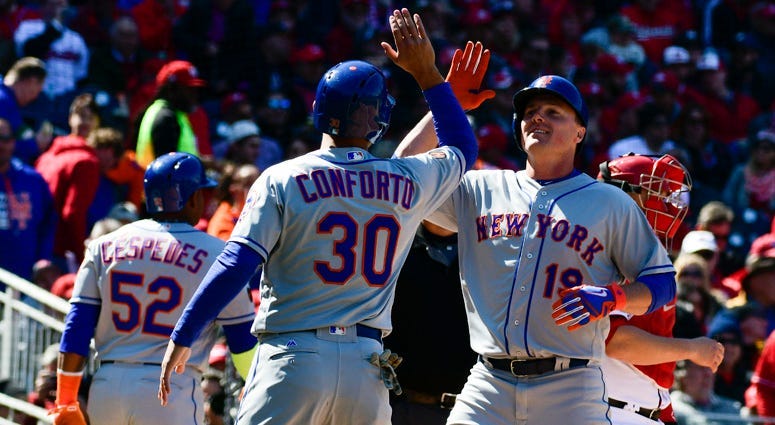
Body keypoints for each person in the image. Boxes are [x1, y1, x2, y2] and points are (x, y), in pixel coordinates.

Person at [158, 8, 479, 424]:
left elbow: (236, 264)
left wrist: (183, 335)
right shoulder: (405, 179)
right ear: (379, 119)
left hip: (293, 356)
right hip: (367, 367)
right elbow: (461, 148)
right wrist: (431, 78)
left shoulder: (284, 177)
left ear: (318, 108)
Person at [395, 66, 679, 422]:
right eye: (529, 113)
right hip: (488, 381)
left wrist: (615, 297)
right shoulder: (482, 189)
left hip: (572, 385)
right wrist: (444, 105)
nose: (537, 118)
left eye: (553, 112)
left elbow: (662, 283)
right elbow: (403, 177)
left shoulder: (610, 203)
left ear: (580, 132)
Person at [50, 152, 258, 425]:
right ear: (192, 198)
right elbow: (241, 339)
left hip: (108, 386)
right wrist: (255, 385)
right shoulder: (218, 253)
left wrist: (65, 401)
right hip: (171, 389)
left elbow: (76, 327)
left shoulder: (103, 246)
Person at [597, 153, 725, 425]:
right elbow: (617, 342)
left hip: (640, 408)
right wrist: (692, 349)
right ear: (621, 196)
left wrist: (663, 410)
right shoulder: (610, 252)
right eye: (655, 191)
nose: (667, 204)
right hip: (612, 408)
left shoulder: (644, 252)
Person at [34, 93, 101, 268]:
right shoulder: (86, 161)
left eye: (90, 117)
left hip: (37, 245)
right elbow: (72, 213)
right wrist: (82, 258)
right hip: (61, 252)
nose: (85, 122)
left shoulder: (47, 155)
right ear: (70, 118)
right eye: (81, 115)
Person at [0, 116, 56, 290]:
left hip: (24, 284)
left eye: (6, 139)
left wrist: (43, 257)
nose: (1, 145)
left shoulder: (32, 179)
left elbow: (49, 221)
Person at [134, 60, 206, 168]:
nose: (194, 95)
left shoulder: (171, 113)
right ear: (171, 89)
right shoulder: (165, 118)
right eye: (188, 89)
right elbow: (168, 170)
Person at [0, 56, 49, 164]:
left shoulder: (7, 100)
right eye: (37, 91)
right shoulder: (3, 102)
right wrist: (35, 144)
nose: (35, 97)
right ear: (32, 81)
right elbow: (3, 146)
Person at [670, 360, 745, 425]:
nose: (708, 374)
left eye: (711, 368)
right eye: (701, 368)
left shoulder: (732, 408)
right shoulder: (670, 408)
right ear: (683, 375)